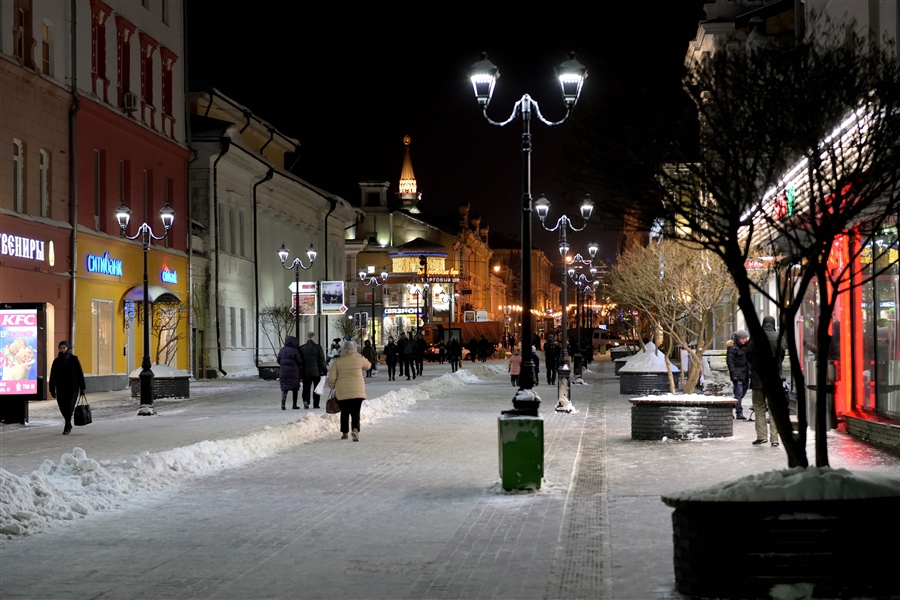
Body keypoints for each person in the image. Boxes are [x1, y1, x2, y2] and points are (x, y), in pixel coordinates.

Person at [748, 316, 786, 447]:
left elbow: (748, 354)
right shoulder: (779, 336)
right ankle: (774, 439)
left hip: (758, 379)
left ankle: (761, 436)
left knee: (759, 408)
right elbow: (782, 355)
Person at [326, 340, 371, 441]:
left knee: (344, 412)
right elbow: (368, 365)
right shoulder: (358, 359)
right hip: (357, 391)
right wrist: (361, 356)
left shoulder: (338, 361)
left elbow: (332, 377)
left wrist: (332, 386)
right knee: (356, 412)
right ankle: (355, 430)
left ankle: (344, 433)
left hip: (342, 391)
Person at [48, 340, 86, 434]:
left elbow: (79, 374)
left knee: (69, 407)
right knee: (62, 406)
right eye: (60, 348)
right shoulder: (56, 361)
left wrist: (82, 388)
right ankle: (68, 423)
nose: (62, 350)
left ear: (68, 348)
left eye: (64, 347)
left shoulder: (74, 359)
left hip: (73, 387)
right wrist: (52, 389)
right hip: (60, 387)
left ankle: (67, 425)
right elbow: (52, 376)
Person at [299, 331, 327, 409]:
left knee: (306, 387)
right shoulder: (318, 347)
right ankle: (316, 404)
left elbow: (300, 360)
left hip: (305, 371)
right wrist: (325, 370)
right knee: (316, 388)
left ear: (307, 337)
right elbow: (322, 360)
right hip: (316, 372)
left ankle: (306, 401)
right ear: (313, 337)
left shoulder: (302, 348)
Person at [726, 330, 751, 420]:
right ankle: (739, 413)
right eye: (742, 339)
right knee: (739, 394)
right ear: (738, 339)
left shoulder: (747, 347)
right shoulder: (733, 348)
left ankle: (729, 407)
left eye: (745, 338)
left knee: (742, 393)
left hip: (745, 374)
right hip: (737, 374)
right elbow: (730, 362)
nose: (744, 340)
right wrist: (734, 374)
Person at [276, 336, 303, 409]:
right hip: (294, 373)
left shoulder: (282, 350)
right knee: (295, 389)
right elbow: (299, 361)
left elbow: (278, 360)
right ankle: (294, 405)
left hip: (284, 372)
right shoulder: (295, 351)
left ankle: (283, 404)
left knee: (284, 389)